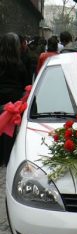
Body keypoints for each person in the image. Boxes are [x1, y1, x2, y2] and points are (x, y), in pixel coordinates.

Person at [0, 32, 28, 166]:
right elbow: (26, 84)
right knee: (9, 131)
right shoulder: (20, 64)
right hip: (14, 101)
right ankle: (8, 158)